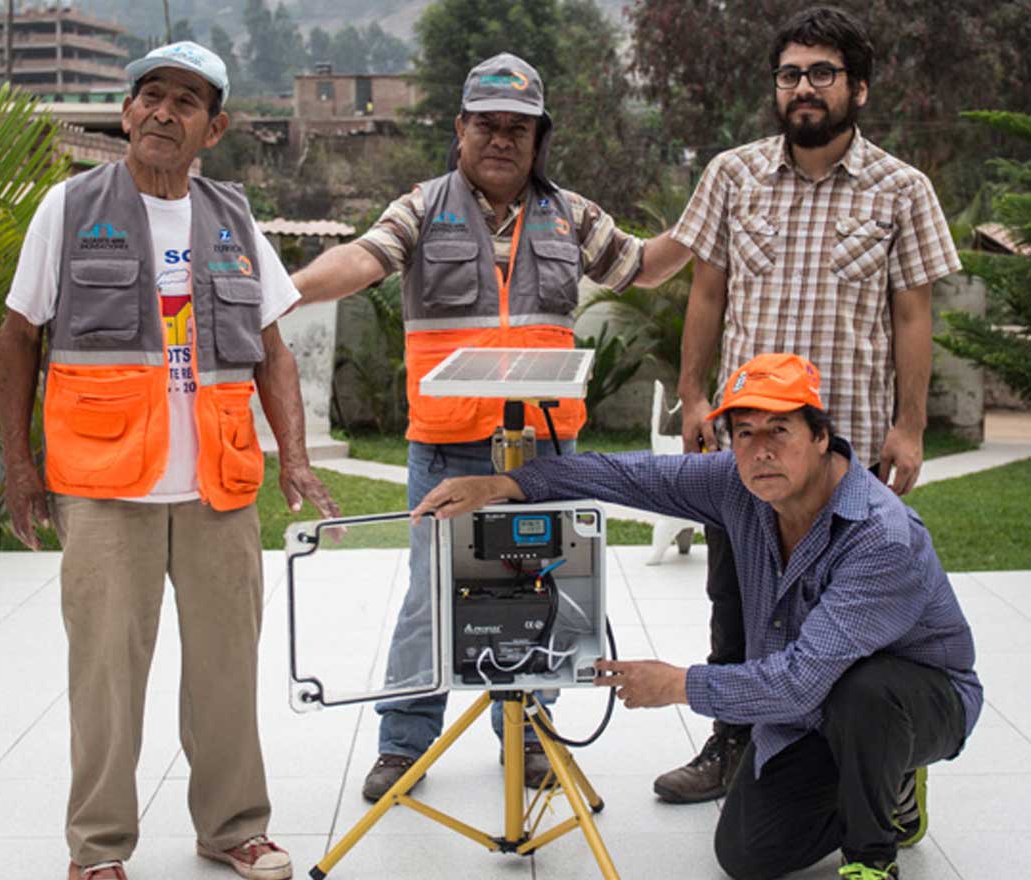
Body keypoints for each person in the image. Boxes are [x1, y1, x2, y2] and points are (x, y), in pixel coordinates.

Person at [290, 51, 692, 802]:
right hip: (446, 444)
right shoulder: (421, 206)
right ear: (461, 129)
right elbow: (361, 259)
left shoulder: (571, 214)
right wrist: (288, 289)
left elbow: (645, 266)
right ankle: (403, 742)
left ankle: (532, 736)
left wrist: (710, 216)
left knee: (539, 588)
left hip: (545, 447)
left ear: (540, 137)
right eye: (487, 125)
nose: (503, 139)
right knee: (429, 596)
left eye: (520, 127)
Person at [411, 352, 982, 880]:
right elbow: (628, 476)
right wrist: (507, 482)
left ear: (822, 436)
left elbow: (802, 680)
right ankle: (885, 781)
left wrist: (676, 684)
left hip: (917, 698)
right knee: (747, 854)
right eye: (744, 434)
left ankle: (874, 851)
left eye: (779, 431)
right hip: (815, 708)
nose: (760, 451)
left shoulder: (880, 537)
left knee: (864, 693)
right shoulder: (738, 485)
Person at [0, 41, 338, 880]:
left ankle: (233, 828)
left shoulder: (232, 217)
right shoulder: (68, 209)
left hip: (217, 483)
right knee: (106, 675)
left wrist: (291, 456)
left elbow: (273, 352)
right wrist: (18, 467)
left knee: (227, 669)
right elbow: (18, 339)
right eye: (150, 95)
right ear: (126, 113)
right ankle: (99, 850)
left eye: (186, 102)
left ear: (212, 128)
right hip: (108, 485)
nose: (162, 111)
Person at [662, 5, 963, 808]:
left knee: (855, 614)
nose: (803, 87)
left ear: (857, 89)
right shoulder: (733, 174)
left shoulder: (902, 190)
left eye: (822, 73)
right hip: (749, 441)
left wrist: (910, 423)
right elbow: (708, 291)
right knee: (735, 597)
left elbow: (912, 313)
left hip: (847, 446)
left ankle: (880, 755)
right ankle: (733, 742)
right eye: (790, 73)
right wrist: (695, 395)